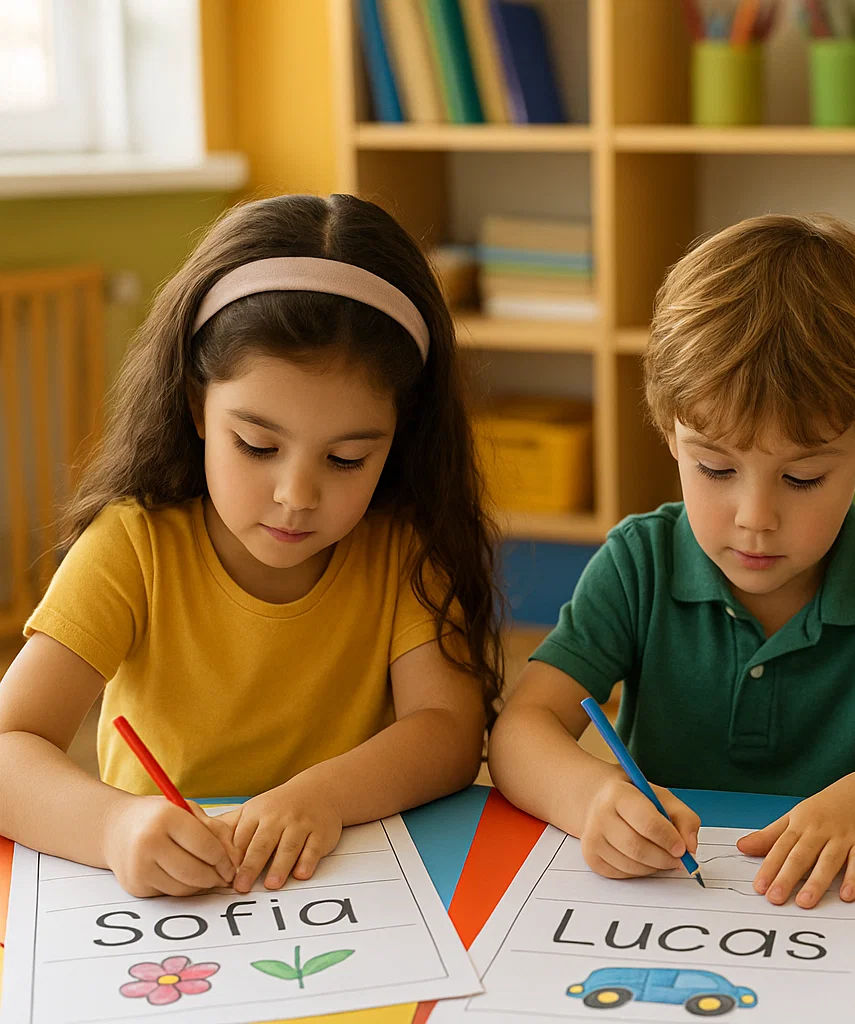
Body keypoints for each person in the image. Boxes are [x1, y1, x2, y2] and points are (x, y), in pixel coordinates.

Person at [490, 214, 855, 910]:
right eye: (714, 467)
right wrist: (590, 797)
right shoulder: (639, 562)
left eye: (800, 480)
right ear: (671, 436)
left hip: (826, 914)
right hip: (664, 899)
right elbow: (521, 730)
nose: (753, 517)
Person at [0, 194, 502, 899]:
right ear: (196, 404)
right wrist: (113, 827)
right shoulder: (134, 546)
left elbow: (449, 732)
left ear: (400, 439)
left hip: (348, 885)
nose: (296, 495)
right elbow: (8, 745)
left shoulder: (401, 549)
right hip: (169, 901)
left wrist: (322, 797)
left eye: (348, 459)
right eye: (258, 445)